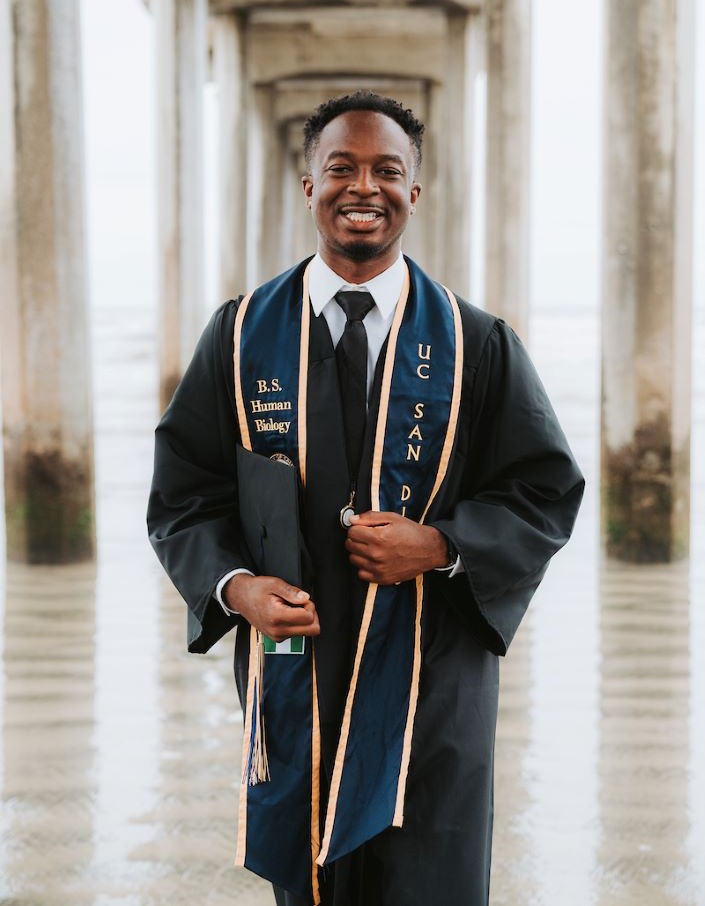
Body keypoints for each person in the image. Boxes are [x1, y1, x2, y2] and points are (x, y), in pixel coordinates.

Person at [147, 91, 584, 906]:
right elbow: (184, 496)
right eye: (339, 167)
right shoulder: (240, 335)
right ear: (306, 185)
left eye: (388, 171)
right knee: (310, 877)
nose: (363, 187)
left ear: (413, 194)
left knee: (431, 876)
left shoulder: (476, 342)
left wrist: (445, 545)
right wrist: (237, 589)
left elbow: (543, 490)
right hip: (294, 662)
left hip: (431, 674)